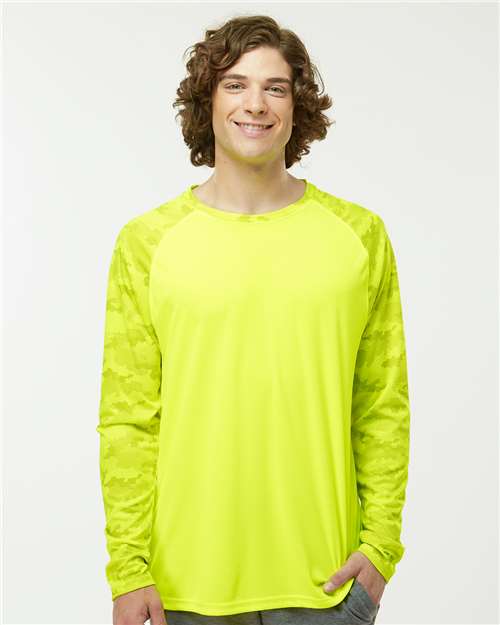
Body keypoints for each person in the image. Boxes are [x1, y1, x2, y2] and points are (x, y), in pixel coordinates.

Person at [96, 14, 411, 625]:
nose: (256, 104)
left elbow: (381, 405)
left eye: (276, 87)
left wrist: (380, 548)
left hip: (326, 585)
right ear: (207, 101)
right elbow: (129, 419)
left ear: (297, 107)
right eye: (235, 84)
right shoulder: (147, 242)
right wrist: (128, 568)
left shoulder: (360, 236)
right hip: (184, 586)